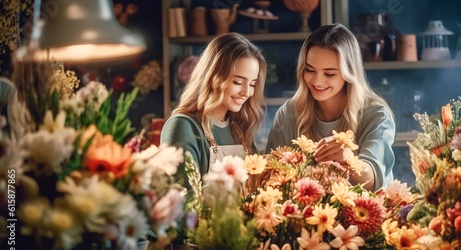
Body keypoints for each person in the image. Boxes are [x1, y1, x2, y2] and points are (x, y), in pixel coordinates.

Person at [266, 23, 395, 191]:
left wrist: (348, 159)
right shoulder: (288, 113)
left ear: (349, 74)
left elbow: (373, 180)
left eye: (329, 74)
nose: (317, 81)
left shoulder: (376, 114)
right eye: (310, 70)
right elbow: (272, 174)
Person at [161, 32, 266, 176]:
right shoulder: (183, 127)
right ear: (213, 77)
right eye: (238, 82)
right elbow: (185, 196)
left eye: (253, 84)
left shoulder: (240, 128)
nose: (247, 92)